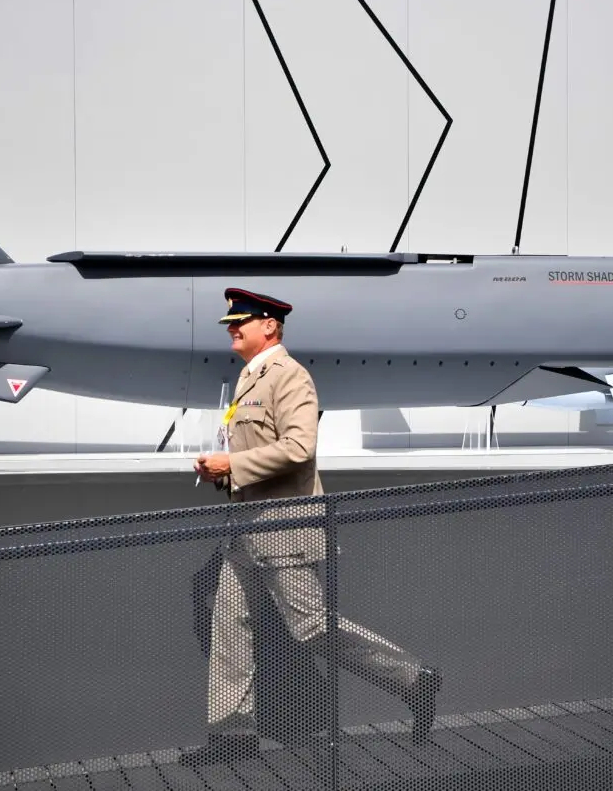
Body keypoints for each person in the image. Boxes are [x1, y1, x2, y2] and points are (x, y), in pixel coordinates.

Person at [182, 287, 442, 767]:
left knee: (310, 626)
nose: (232, 328)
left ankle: (412, 678)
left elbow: (299, 448)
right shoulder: (249, 377)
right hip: (244, 526)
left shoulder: (290, 377)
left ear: (270, 326)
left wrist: (232, 464)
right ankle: (233, 734)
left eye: (241, 321)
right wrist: (220, 472)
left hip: (283, 527)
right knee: (229, 630)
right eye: (230, 322)